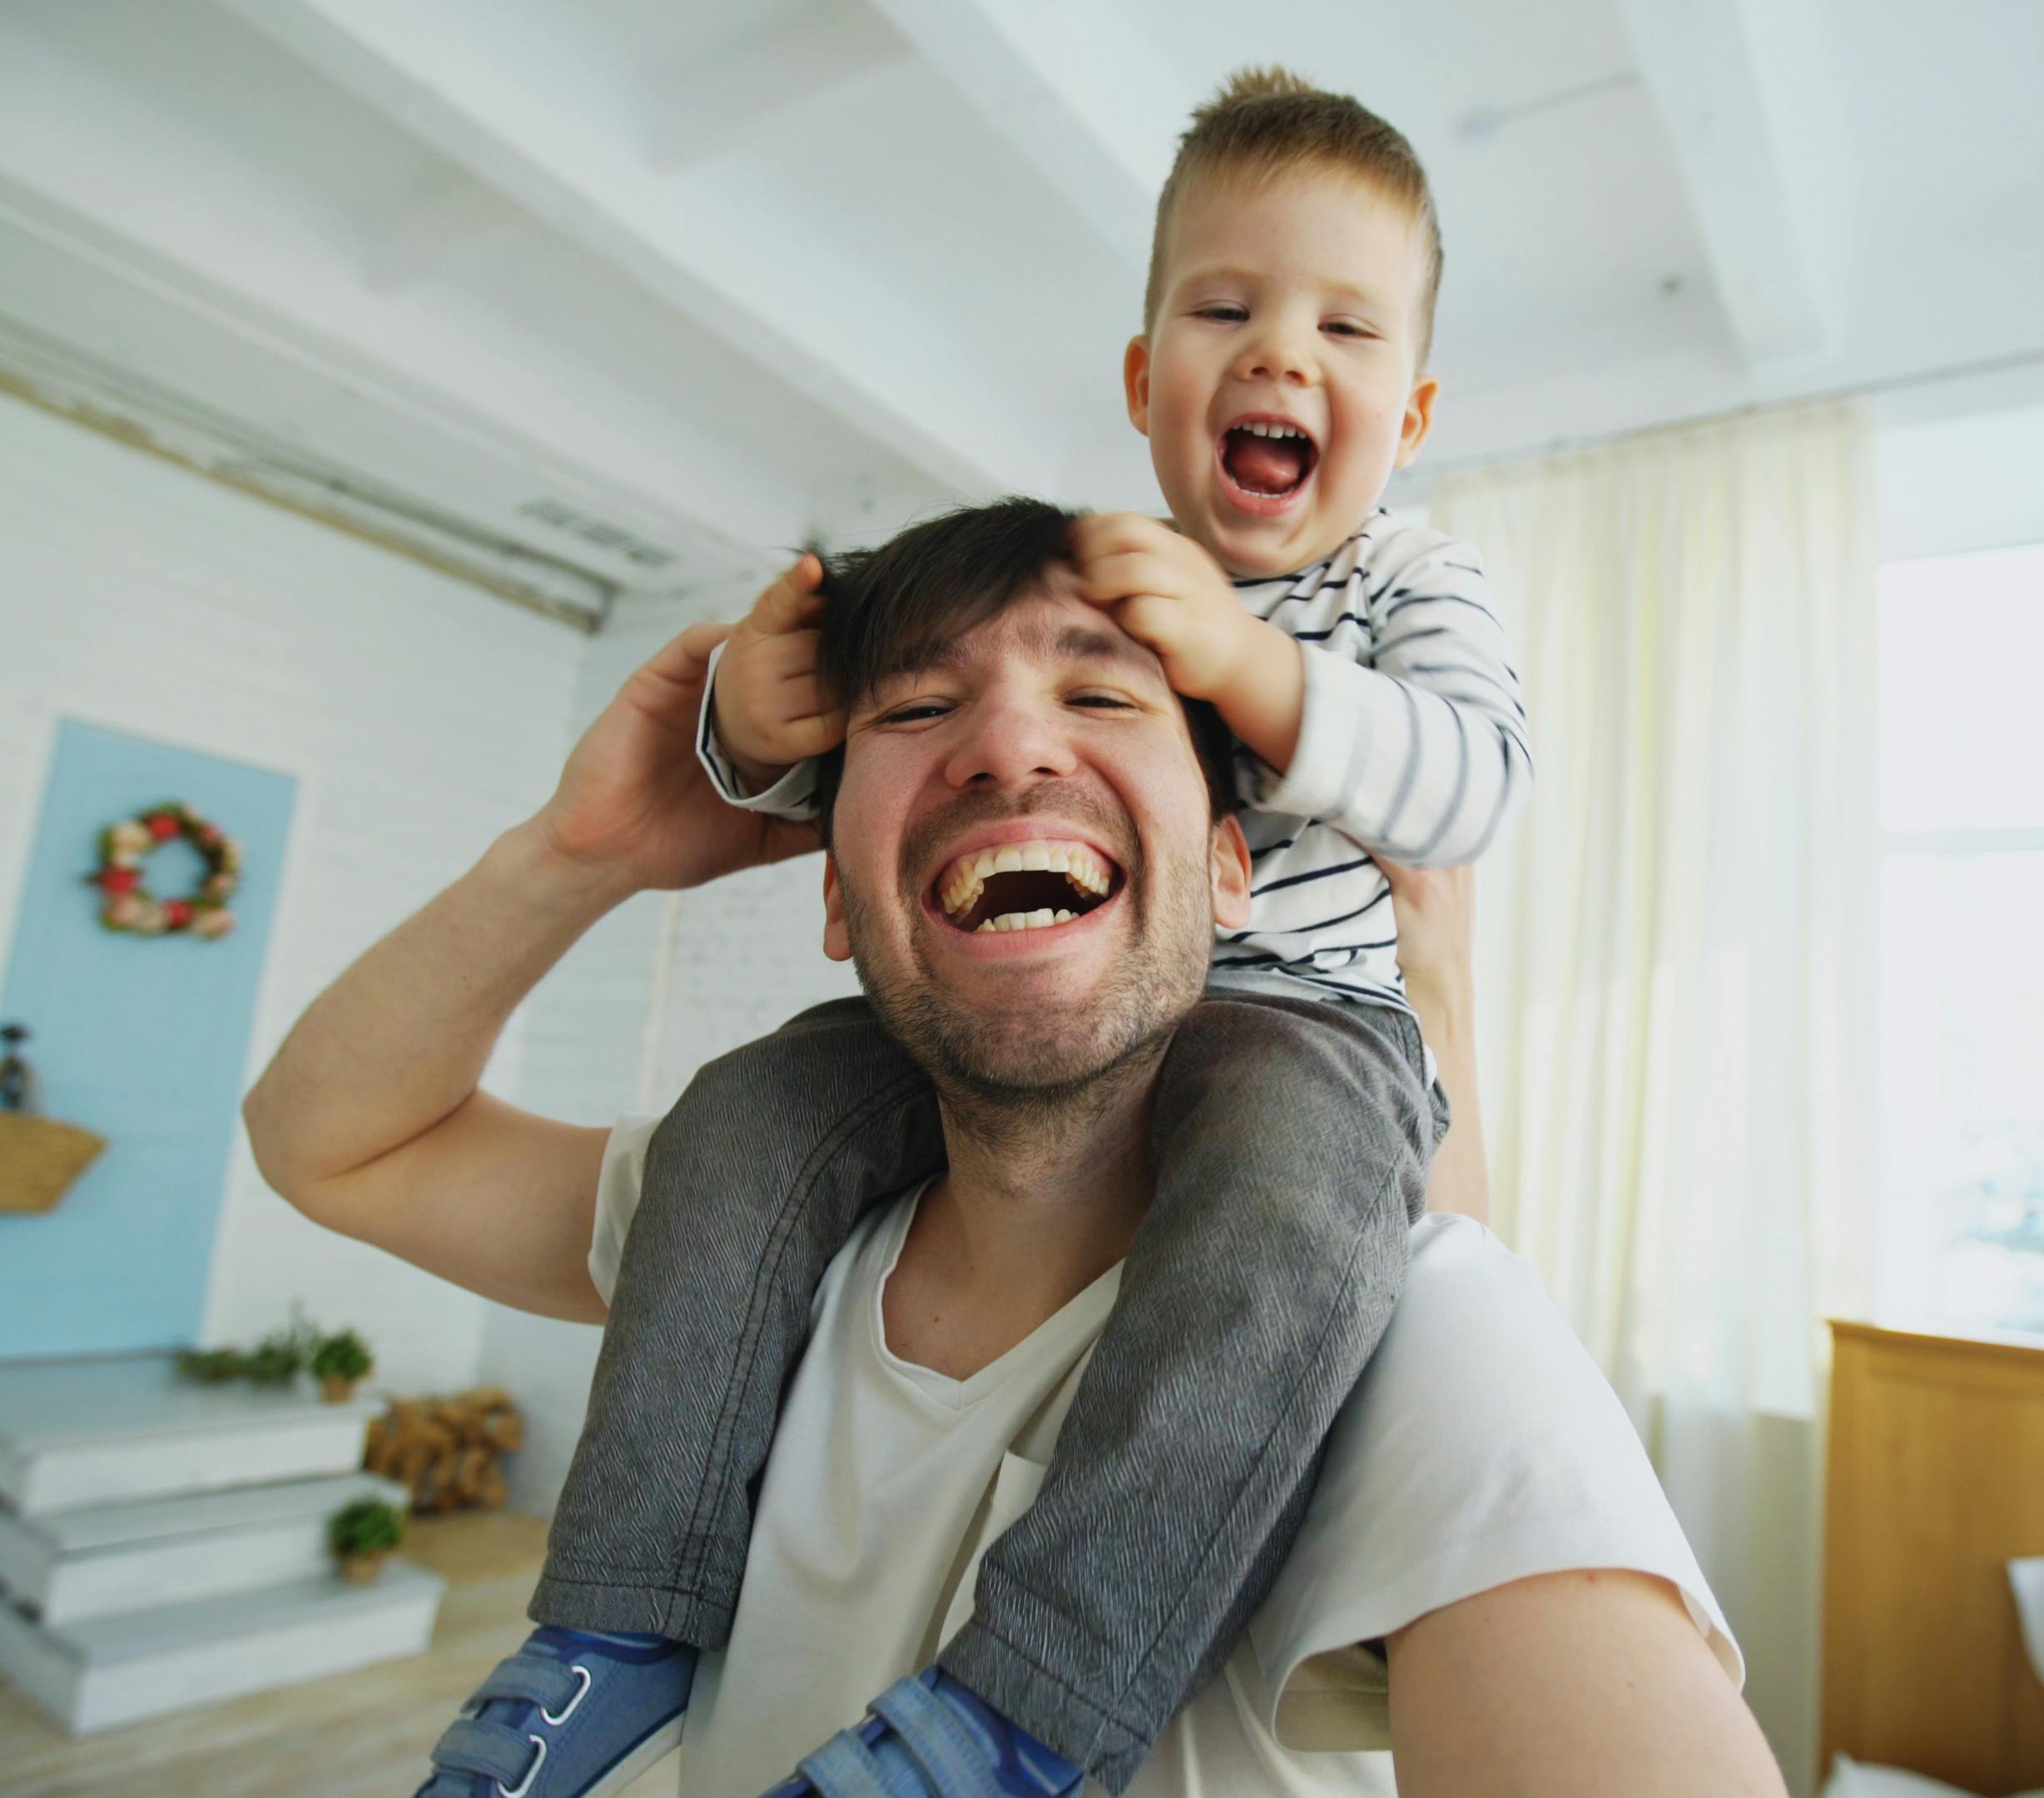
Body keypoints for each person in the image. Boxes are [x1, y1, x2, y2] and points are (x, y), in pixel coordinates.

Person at [243, 501, 1785, 1797]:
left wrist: (1434, 981)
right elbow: (336, 1147)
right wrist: (580, 852)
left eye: (1103, 697)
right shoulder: (738, 1231)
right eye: (915, 710)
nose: (1004, 748)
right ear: (839, 900)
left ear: (1233, 870)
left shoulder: (1407, 1333)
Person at [469, 67, 1532, 1796]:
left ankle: (1022, 1702)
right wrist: (748, 710)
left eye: (1343, 328)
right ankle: (615, 1625)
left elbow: (1476, 785)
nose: (1280, 355)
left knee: (1276, 1209)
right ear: (1143, 380)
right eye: (1226, 307)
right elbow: (875, 772)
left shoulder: (1410, 583)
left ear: (1406, 414)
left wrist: (1248, 664)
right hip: (1047, 1008)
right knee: (743, 1117)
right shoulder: (1091, 577)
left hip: (1301, 1027)